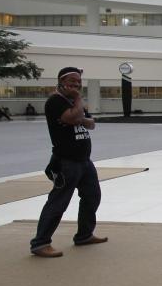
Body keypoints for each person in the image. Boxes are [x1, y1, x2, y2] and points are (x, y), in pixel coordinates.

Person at [30, 67, 106, 258]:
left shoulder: (71, 102)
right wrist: (79, 104)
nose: (77, 85)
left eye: (79, 81)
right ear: (61, 82)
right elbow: (74, 118)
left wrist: (79, 115)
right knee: (58, 201)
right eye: (72, 81)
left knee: (92, 196)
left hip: (84, 161)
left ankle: (84, 235)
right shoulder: (55, 101)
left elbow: (91, 123)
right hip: (66, 162)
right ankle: (40, 243)